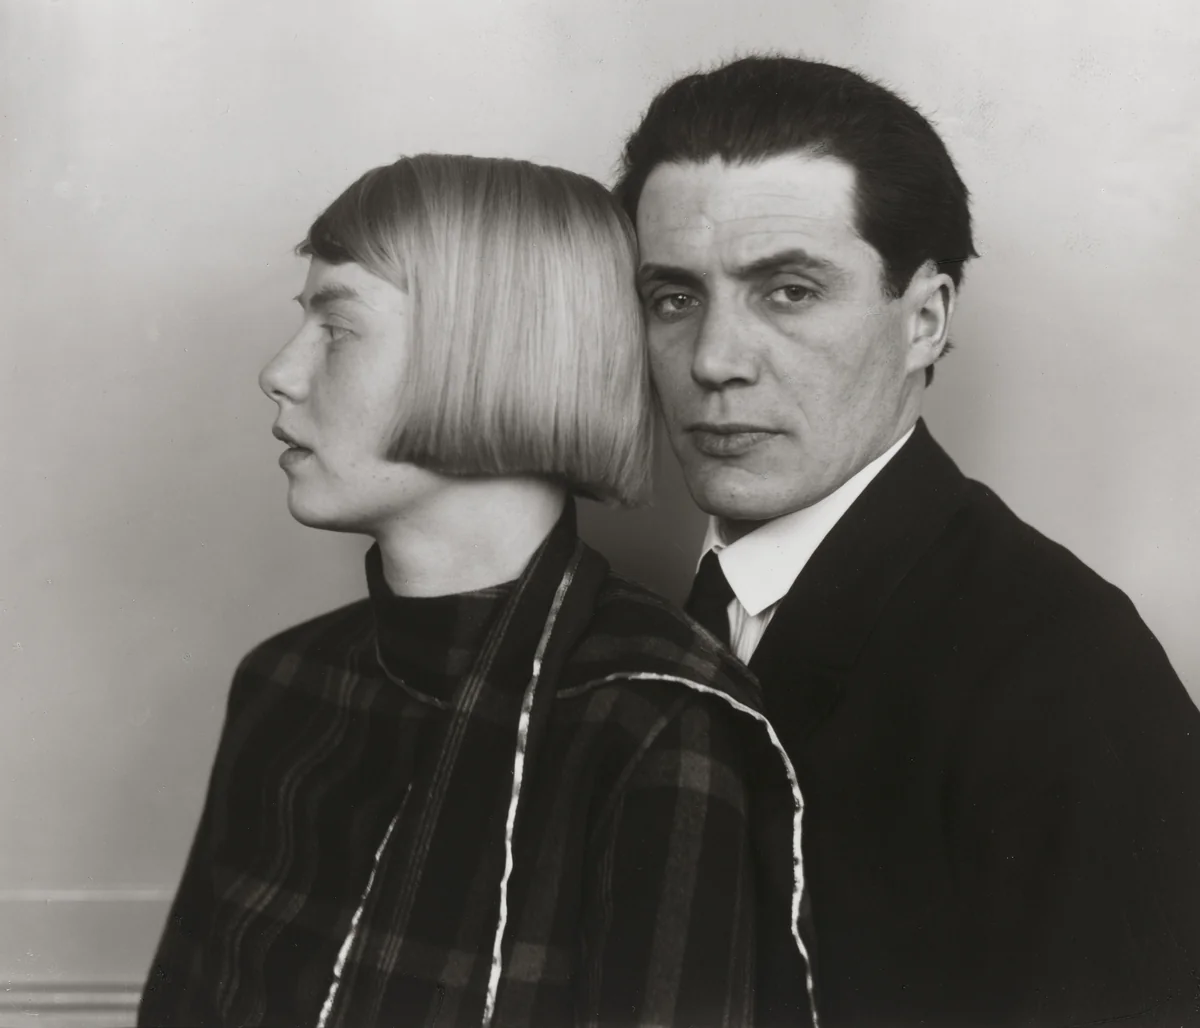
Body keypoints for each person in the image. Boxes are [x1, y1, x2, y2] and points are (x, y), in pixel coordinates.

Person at [137, 154, 816, 1027]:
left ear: (496, 351)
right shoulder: (283, 682)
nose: (281, 372)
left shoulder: (654, 723)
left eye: (337, 329)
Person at [616, 56, 1200, 1027]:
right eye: (674, 297)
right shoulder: (669, 625)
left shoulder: (1066, 667)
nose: (714, 361)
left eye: (789, 291)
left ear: (925, 318)